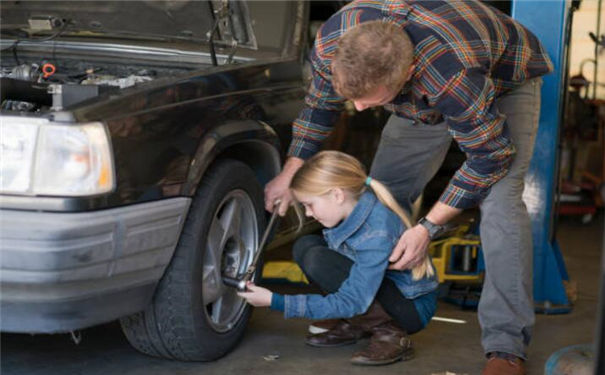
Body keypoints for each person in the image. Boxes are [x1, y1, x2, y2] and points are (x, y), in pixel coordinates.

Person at [264, 1, 553, 374]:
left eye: (371, 99)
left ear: (408, 73)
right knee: (378, 194)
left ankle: (505, 346)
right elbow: (320, 107)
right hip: (422, 92)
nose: (360, 108)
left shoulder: (448, 71)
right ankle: (371, 314)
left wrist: (427, 228)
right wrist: (289, 174)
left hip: (502, 80)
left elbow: (489, 157)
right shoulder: (333, 40)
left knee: (500, 205)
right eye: (351, 96)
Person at [239, 150, 438, 366]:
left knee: (319, 260)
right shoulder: (352, 209)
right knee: (305, 246)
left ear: (337, 195)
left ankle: (390, 334)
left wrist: (274, 301)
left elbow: (351, 300)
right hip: (390, 293)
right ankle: (357, 322)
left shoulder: (376, 232)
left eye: (309, 204)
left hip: (410, 310)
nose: (307, 213)